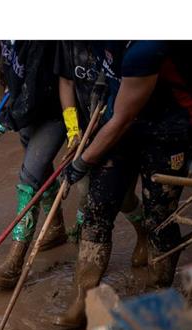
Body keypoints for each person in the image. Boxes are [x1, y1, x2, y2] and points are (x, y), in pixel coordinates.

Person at [54, 41, 192, 328]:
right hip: (121, 120)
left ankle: (157, 294)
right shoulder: (96, 38)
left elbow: (124, 117)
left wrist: (82, 163)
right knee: (98, 208)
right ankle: (82, 298)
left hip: (169, 128)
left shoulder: (146, 46)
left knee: (160, 215)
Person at [0, 41, 68, 288]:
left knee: (29, 179)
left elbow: (36, 92)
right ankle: (56, 227)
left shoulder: (39, 40)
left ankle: (15, 261)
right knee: (39, 167)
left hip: (53, 109)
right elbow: (8, 67)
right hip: (24, 106)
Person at [55, 41, 148, 267]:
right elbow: (66, 81)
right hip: (85, 128)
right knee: (85, 191)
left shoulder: (123, 44)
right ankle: (85, 254)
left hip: (122, 127)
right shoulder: (68, 41)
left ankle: (144, 233)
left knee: (124, 199)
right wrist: (72, 131)